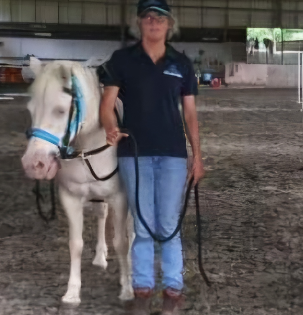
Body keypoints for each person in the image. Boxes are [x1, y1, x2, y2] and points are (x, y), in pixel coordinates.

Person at [98, 0, 204, 314]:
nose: (154, 22)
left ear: (169, 24)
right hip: (135, 154)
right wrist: (110, 126)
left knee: (169, 225)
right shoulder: (121, 60)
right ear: (139, 23)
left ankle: (173, 290)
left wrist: (197, 156)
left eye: (160, 18)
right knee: (142, 225)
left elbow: (190, 113)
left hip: (173, 154)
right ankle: (142, 290)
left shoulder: (181, 63)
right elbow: (107, 104)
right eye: (147, 17)